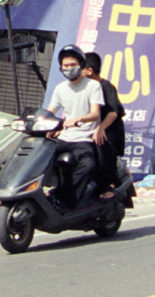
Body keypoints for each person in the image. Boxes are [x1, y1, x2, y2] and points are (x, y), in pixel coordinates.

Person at [44, 46, 104, 209]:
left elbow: (95, 114)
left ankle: (68, 201)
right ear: (61, 68)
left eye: (72, 65)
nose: (69, 68)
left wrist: (78, 119)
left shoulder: (92, 86)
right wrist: (43, 120)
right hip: (64, 137)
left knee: (87, 166)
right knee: (40, 159)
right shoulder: (60, 88)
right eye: (65, 66)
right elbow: (51, 110)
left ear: (81, 65)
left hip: (84, 138)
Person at [81, 51, 126, 193]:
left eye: (79, 67)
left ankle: (109, 184)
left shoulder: (106, 87)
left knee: (101, 144)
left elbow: (113, 113)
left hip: (110, 130)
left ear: (89, 71)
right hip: (90, 128)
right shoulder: (81, 89)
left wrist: (101, 128)